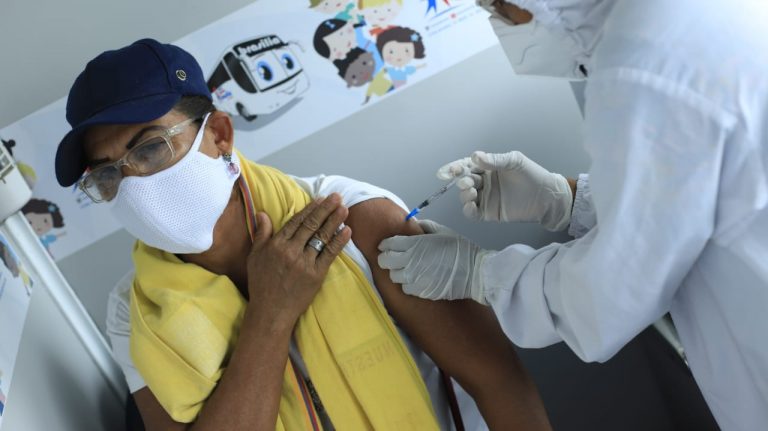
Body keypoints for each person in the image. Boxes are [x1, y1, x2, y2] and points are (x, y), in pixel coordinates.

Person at [54, 38, 551, 430]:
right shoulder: (135, 312)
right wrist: (271, 315)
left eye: (151, 148)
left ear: (220, 135)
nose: (134, 182)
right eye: (107, 174)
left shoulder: (352, 218)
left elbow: (499, 384)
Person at [377, 0, 768, 430]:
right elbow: (691, 194)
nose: (500, 19)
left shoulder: (642, 61)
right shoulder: (685, 20)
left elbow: (612, 292)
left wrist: (480, 274)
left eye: (494, 5)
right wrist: (566, 198)